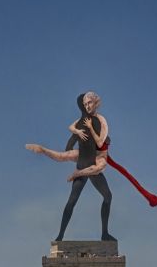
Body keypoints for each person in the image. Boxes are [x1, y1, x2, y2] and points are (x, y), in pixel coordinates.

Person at [26, 91, 116, 241]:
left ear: (96, 103)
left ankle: (104, 233)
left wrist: (76, 174)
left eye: (90, 103)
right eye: (85, 104)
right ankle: (60, 235)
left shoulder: (101, 122)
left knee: (108, 196)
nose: (87, 106)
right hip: (83, 162)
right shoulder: (82, 125)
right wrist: (43, 149)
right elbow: (62, 154)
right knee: (71, 201)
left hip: (91, 166)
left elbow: (100, 144)